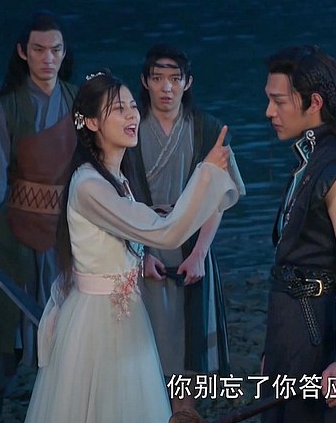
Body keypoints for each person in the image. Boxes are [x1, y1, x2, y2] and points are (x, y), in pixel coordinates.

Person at [24, 70, 239, 422]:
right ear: (92, 122)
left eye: (131, 107)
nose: (131, 115)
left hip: (126, 313)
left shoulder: (116, 178)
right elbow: (163, 231)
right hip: (98, 320)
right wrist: (207, 174)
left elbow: (138, 235)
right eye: (118, 109)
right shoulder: (90, 186)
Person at [0, 10, 77, 423]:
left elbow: (99, 167)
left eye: (55, 50)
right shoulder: (5, 107)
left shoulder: (79, 102)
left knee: (73, 343)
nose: (48, 58)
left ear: (64, 52)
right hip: (12, 238)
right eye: (39, 49)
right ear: (23, 52)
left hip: (67, 240)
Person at [260, 45, 336, 422]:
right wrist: (273, 350)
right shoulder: (309, 160)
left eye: (279, 101)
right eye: (269, 100)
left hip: (318, 330)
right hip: (291, 327)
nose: (269, 112)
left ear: (313, 102)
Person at [121, 44, 246, 413]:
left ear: (187, 83)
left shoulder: (207, 129)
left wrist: (200, 253)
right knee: (142, 343)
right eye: (158, 78)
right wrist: (139, 252)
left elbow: (218, 197)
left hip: (192, 242)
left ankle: (184, 413)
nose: (166, 87)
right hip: (142, 240)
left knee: (188, 344)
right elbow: (117, 197)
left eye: (175, 79)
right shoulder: (127, 129)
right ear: (145, 81)